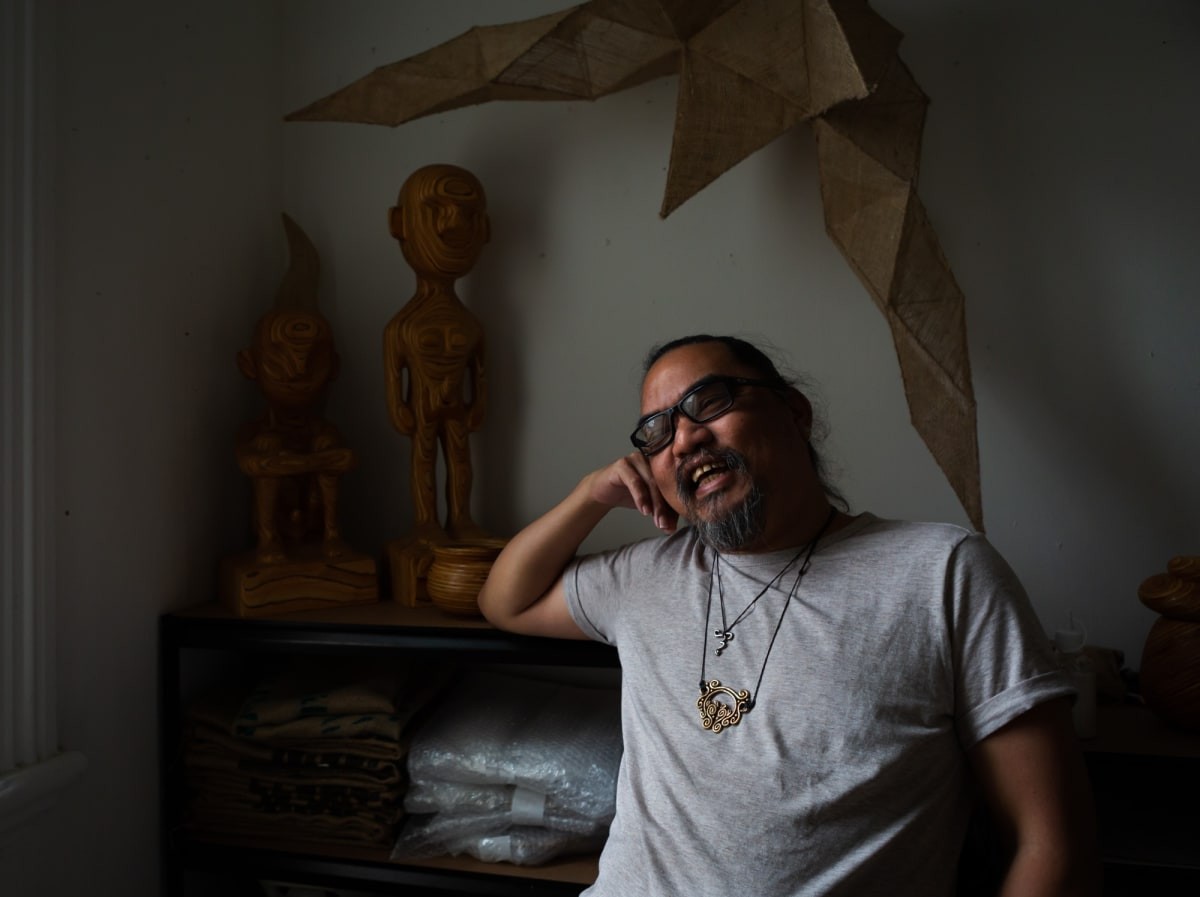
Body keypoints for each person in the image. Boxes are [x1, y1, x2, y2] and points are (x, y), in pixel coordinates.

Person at [477, 334, 1098, 896]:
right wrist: (590, 495)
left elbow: (1051, 845)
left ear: (794, 412)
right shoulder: (644, 576)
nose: (686, 438)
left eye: (710, 401)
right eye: (657, 431)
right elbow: (504, 599)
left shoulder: (942, 572)